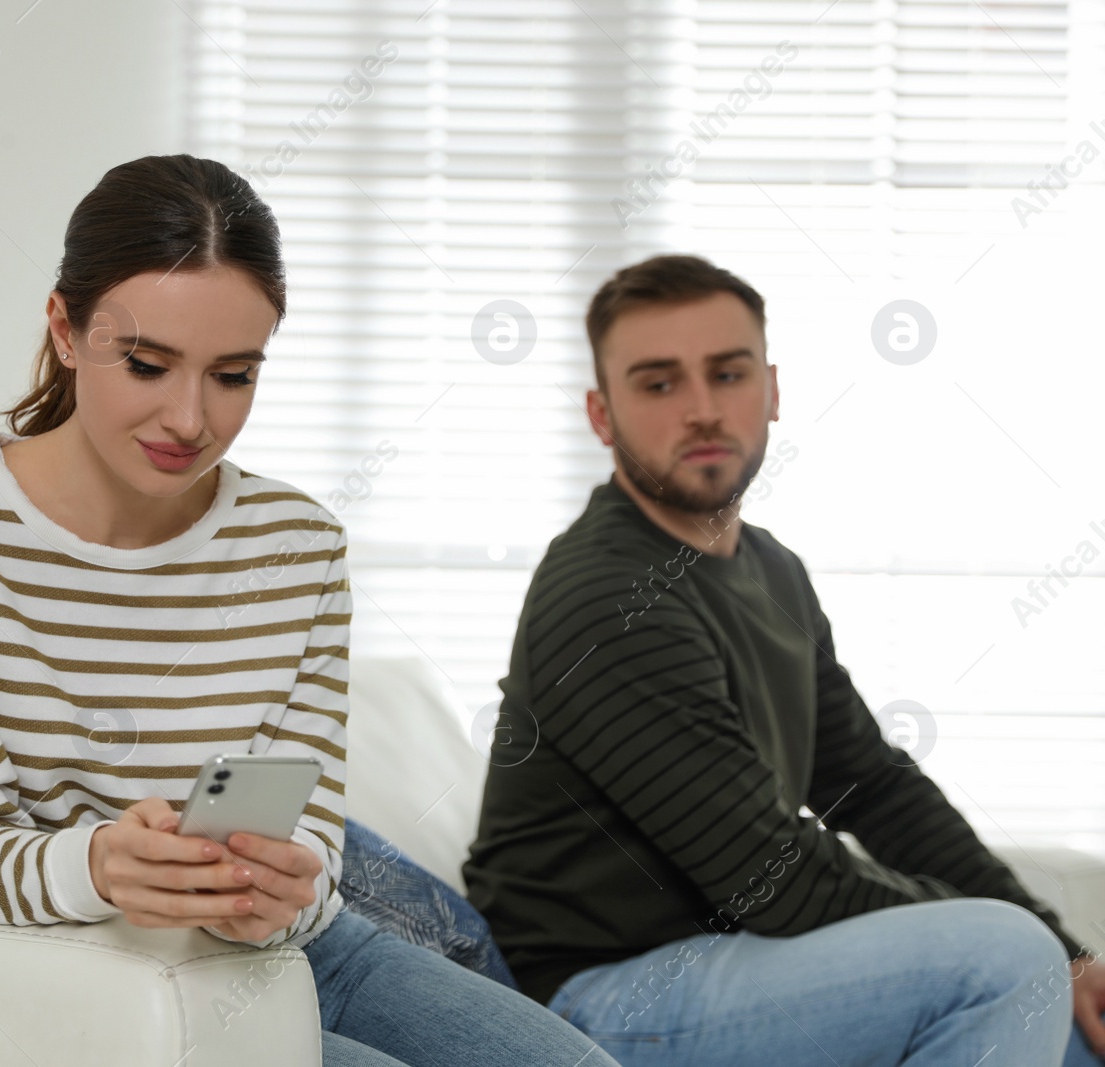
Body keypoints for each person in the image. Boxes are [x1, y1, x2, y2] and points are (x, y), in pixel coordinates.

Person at [0, 153, 621, 1067]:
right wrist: (97, 863)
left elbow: (313, 838)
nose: (189, 419)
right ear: (64, 328)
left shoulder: (298, 544)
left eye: (234, 375)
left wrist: (286, 885)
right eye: (147, 363)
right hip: (68, 966)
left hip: (285, 953)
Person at [462, 252, 1105, 1067]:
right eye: (659, 384)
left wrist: (1068, 949)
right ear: (602, 414)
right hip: (599, 994)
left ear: (771, 390)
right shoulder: (608, 594)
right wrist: (1022, 943)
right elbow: (771, 878)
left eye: (727, 374)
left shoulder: (772, 569)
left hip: (744, 966)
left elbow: (874, 784)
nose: (701, 409)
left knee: (1076, 1020)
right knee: (1003, 960)